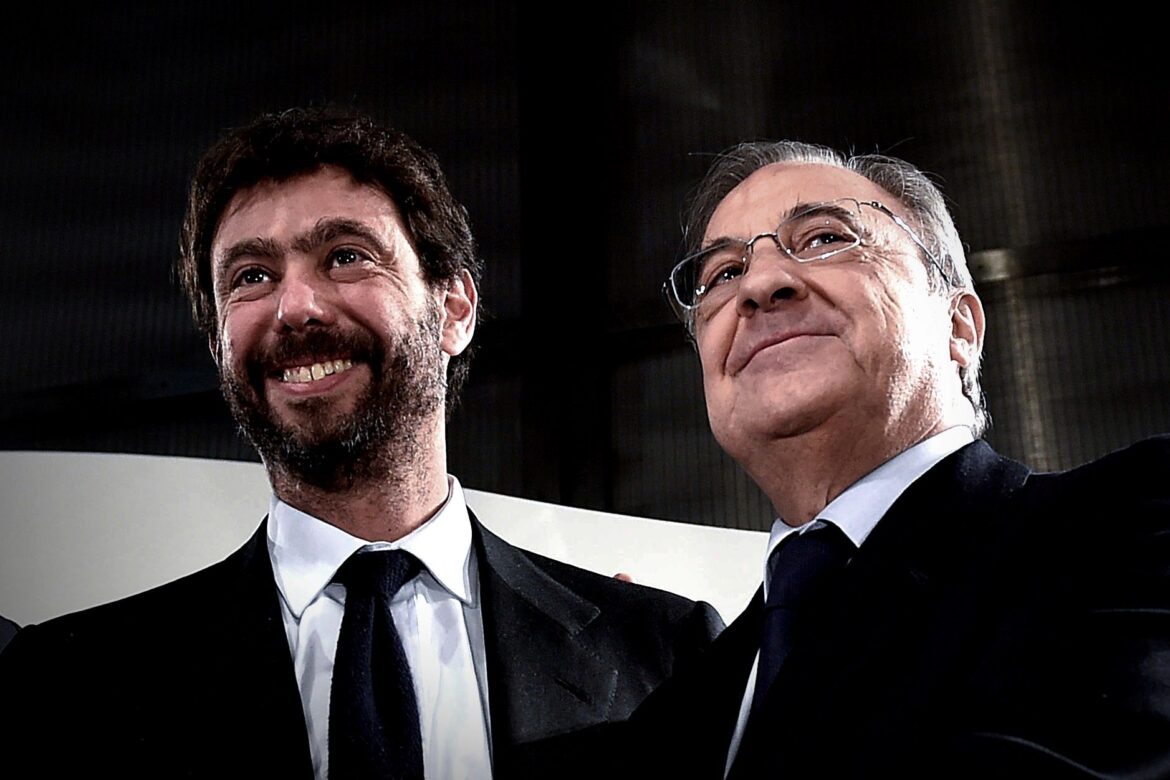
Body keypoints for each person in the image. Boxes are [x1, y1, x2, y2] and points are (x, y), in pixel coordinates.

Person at [0, 105, 723, 779]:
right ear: (218, 343)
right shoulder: (68, 680)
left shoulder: (665, 652)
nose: (295, 307)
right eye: (252, 276)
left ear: (454, 309)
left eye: (346, 256)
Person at [626, 140, 1170, 778]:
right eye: (722, 274)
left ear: (959, 327)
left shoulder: (1129, 522)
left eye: (825, 238)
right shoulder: (677, 703)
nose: (760, 285)